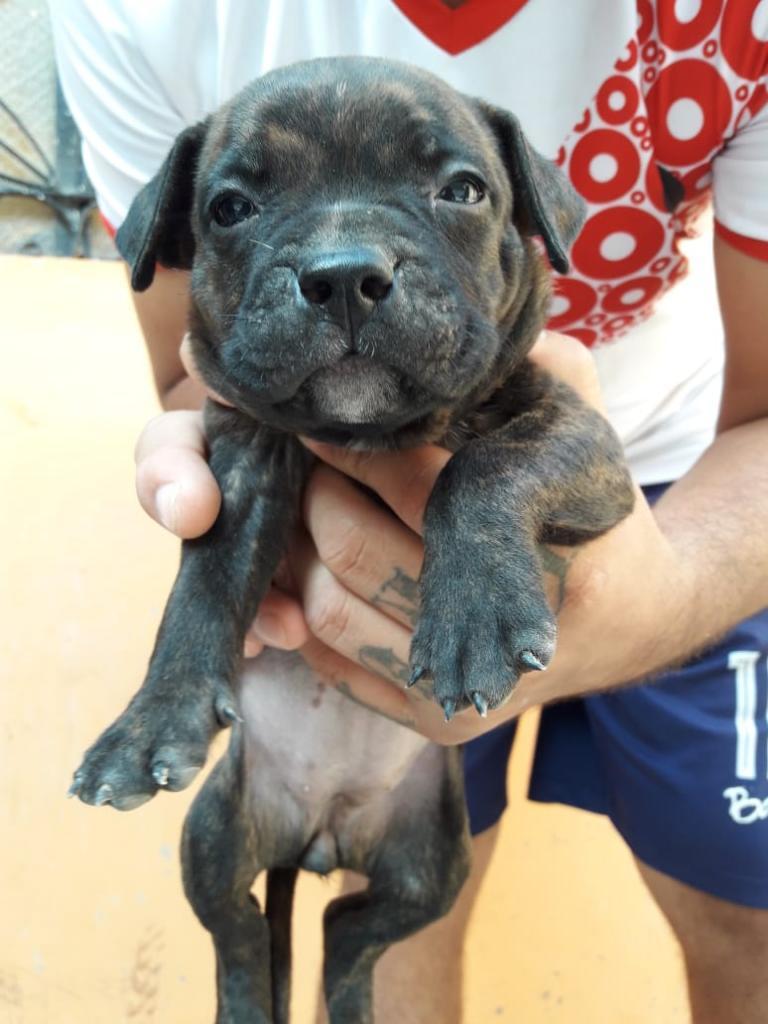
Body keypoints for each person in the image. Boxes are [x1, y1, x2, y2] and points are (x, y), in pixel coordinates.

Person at [50, 2, 768, 1021]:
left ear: (535, 216)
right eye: (238, 207)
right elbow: (189, 372)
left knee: (746, 893)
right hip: (332, 490)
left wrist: (671, 594)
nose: (346, 265)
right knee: (403, 894)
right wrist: (217, 462)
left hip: (685, 475)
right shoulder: (135, 14)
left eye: (456, 190)